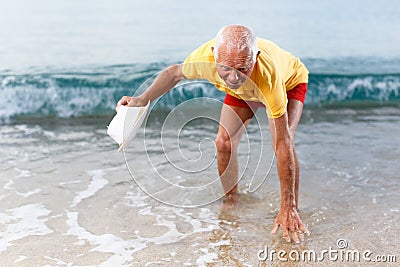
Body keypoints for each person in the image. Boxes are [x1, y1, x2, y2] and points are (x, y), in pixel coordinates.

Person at [116, 25, 310, 243]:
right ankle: (231, 201)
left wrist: (288, 205)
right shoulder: (205, 60)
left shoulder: (268, 76)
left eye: (242, 68)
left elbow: (283, 145)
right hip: (246, 91)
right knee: (223, 143)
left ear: (255, 58)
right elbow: (173, 74)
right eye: (225, 68)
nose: (234, 77)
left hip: (288, 84)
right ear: (213, 55)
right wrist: (141, 100)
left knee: (282, 142)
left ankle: (291, 210)